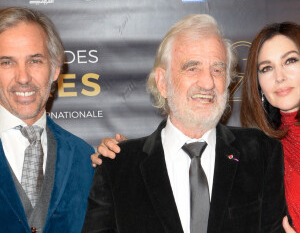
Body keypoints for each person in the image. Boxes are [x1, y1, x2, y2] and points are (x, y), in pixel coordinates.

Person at [83, 14, 287, 232]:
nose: (208, 82)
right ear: (162, 83)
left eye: (217, 70)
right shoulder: (118, 166)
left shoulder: (261, 153)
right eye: (193, 68)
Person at [0, 7, 94, 233]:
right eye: (7, 62)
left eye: (35, 61)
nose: (23, 77)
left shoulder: (83, 157)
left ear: (54, 69)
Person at [241, 22, 300, 233]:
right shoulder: (259, 151)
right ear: (258, 85)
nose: (279, 77)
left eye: (290, 60)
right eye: (267, 68)